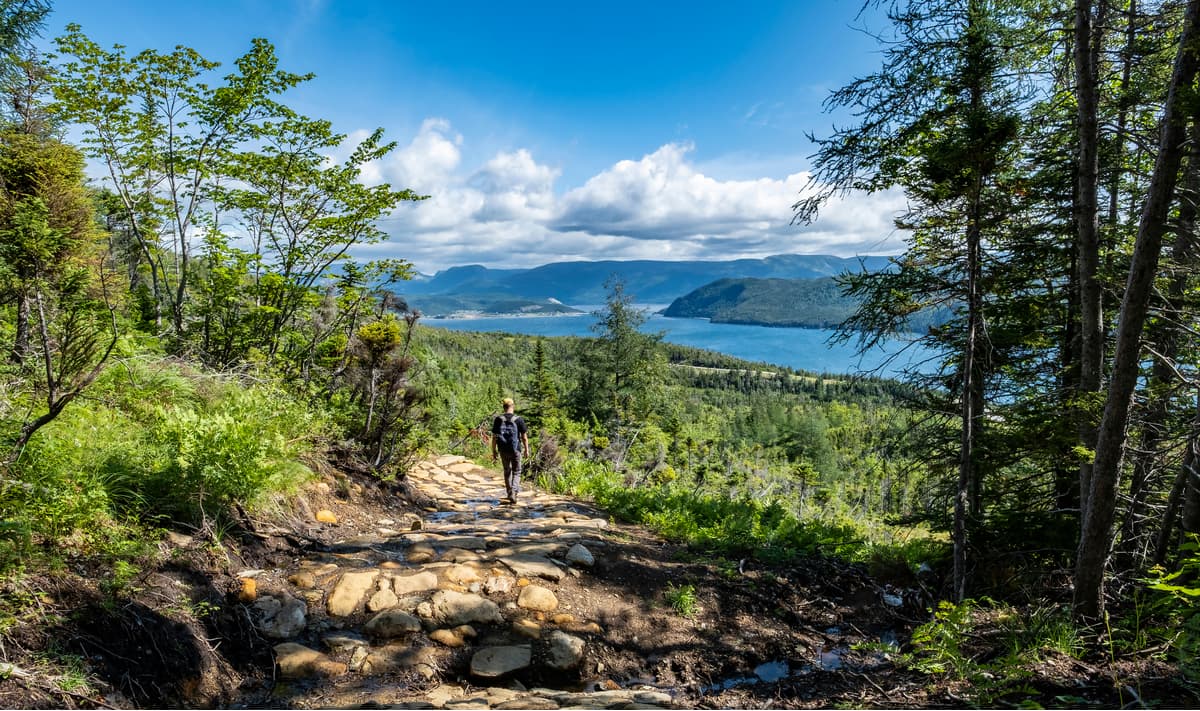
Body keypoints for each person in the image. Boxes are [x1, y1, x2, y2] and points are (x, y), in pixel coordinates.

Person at [491, 397, 530, 503]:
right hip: (515, 449)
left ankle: (509, 493)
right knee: (517, 471)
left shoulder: (498, 419)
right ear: (513, 406)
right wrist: (526, 450)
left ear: (504, 407)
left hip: (503, 449)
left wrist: (494, 451)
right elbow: (524, 437)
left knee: (507, 471)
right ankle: (514, 491)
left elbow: (494, 437)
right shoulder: (518, 420)